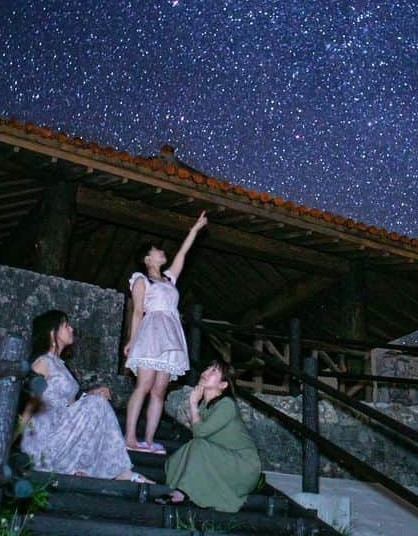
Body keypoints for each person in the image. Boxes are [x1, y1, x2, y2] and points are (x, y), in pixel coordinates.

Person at [19, 309, 149, 482]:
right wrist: (9, 442)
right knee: (97, 404)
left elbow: (70, 406)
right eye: (66, 325)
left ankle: (93, 467)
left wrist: (90, 394)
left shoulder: (60, 365)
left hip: (61, 433)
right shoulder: (42, 363)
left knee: (98, 401)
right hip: (45, 440)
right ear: (53, 333)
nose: (71, 329)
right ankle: (116, 472)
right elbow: (28, 407)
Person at [124, 211, 208, 453]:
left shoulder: (169, 279)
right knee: (144, 384)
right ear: (147, 258)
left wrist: (195, 228)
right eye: (156, 250)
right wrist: (132, 340)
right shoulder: (141, 280)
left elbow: (183, 254)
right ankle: (130, 437)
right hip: (151, 333)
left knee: (159, 390)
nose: (162, 252)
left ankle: (149, 441)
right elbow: (138, 310)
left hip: (171, 334)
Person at [157, 360, 262, 512]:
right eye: (208, 368)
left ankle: (182, 492)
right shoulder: (205, 406)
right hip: (221, 457)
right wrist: (196, 406)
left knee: (197, 446)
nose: (207, 372)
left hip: (242, 466)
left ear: (223, 385)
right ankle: (193, 489)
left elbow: (199, 433)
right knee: (175, 459)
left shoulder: (227, 404)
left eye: (214, 371)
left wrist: (192, 404)